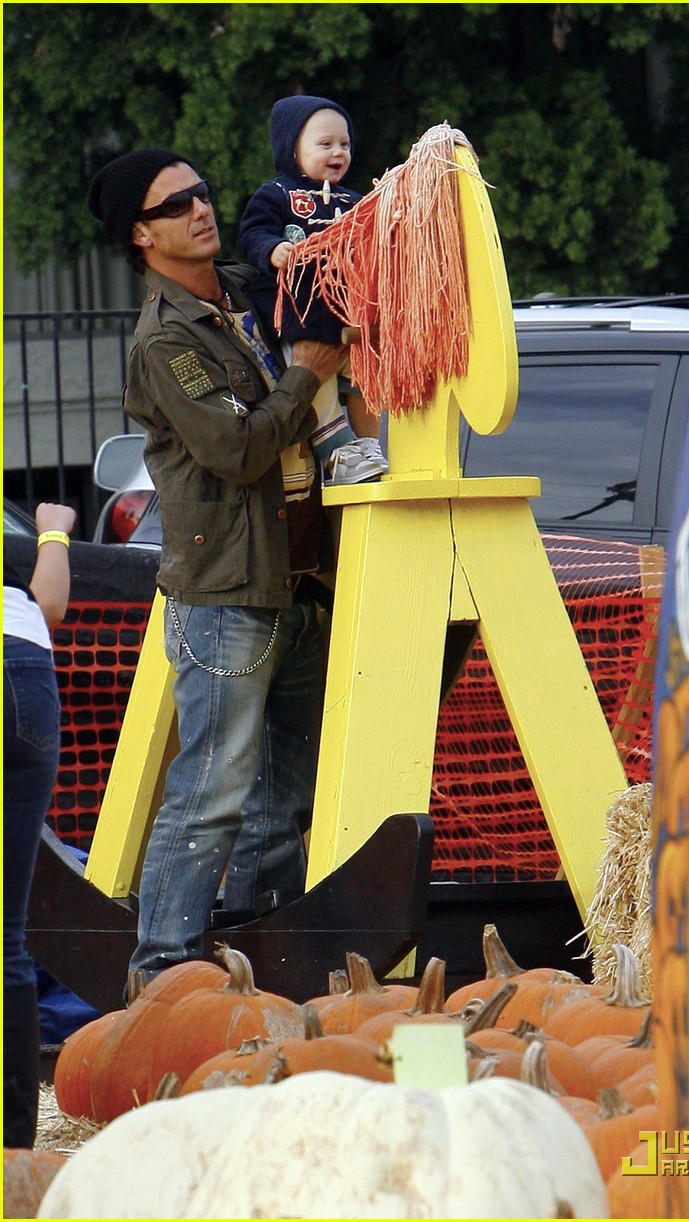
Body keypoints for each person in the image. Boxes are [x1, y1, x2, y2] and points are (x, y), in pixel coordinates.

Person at [87, 147, 351, 999]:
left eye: (203, 194)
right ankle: (160, 982)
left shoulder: (244, 292)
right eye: (178, 205)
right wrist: (308, 372)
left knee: (286, 793)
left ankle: (262, 965)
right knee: (211, 794)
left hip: (298, 582)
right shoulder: (165, 339)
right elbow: (236, 450)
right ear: (141, 234)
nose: (202, 209)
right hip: (227, 598)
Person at [239, 94, 388, 485]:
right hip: (299, 312)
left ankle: (368, 442)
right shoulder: (276, 194)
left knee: (365, 372)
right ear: (292, 148)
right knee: (315, 378)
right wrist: (272, 249)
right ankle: (336, 453)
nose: (338, 152)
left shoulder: (356, 201)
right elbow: (251, 233)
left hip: (346, 310)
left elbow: (375, 242)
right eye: (325, 144)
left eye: (345, 144)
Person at [4, 501, 76, 1146]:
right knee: (7, 939)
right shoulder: (16, 531)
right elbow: (48, 607)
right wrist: (55, 529)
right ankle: (14, 1154)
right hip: (25, 666)